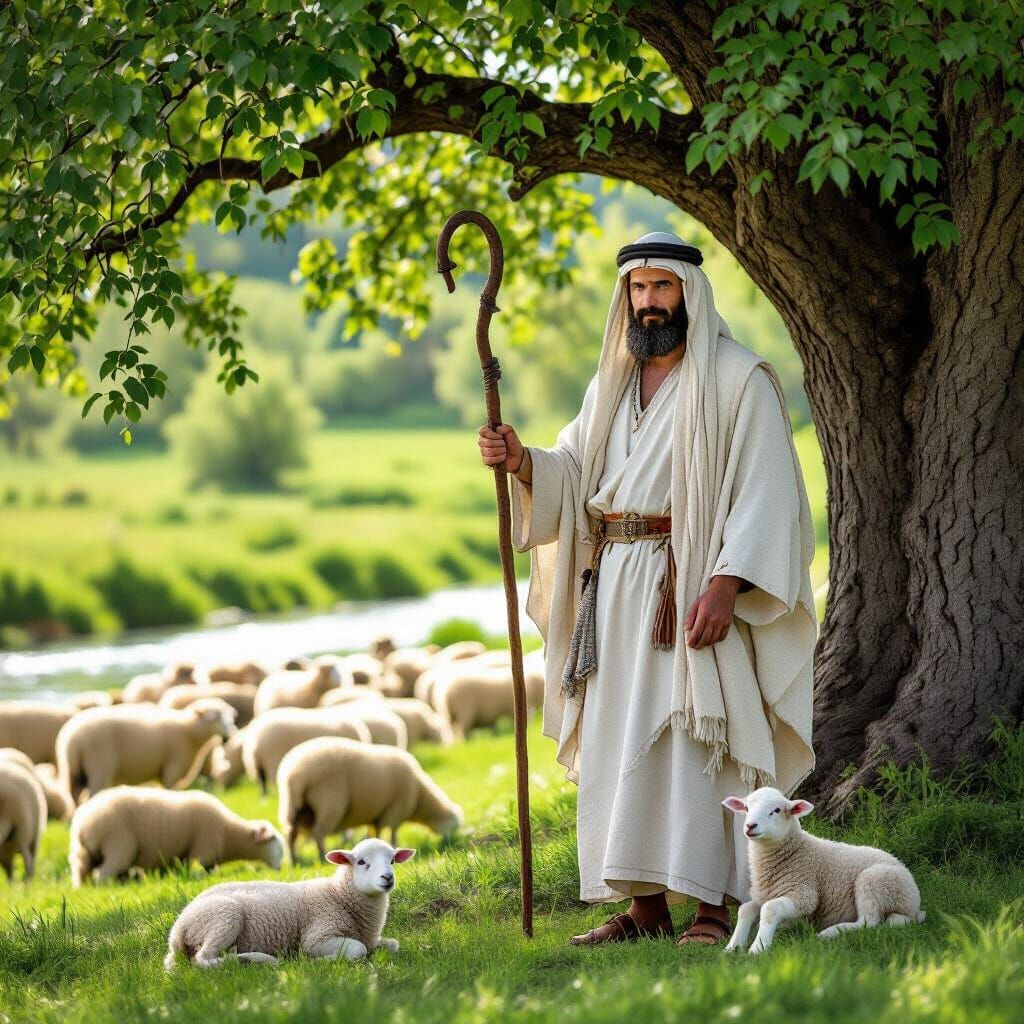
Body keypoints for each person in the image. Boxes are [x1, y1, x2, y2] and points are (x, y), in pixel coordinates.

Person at [477, 231, 818, 946]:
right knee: (618, 740)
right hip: (611, 590)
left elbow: (767, 493)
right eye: (638, 288)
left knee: (699, 740)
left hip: (688, 585)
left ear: (689, 293)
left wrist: (726, 584)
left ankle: (714, 906)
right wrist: (522, 461)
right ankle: (645, 907)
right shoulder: (610, 385)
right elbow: (575, 474)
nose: (649, 301)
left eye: (662, 287)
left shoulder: (738, 381)